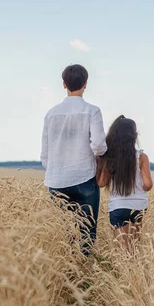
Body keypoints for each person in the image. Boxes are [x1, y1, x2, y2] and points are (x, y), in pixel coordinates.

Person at [41, 64, 107, 256]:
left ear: (63, 84)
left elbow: (45, 153)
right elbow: (98, 145)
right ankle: (84, 272)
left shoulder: (51, 114)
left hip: (56, 180)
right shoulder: (92, 111)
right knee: (87, 231)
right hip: (84, 178)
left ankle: (66, 272)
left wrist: (56, 169)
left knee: (63, 233)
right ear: (86, 84)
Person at [96, 115, 153, 254]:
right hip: (139, 207)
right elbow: (148, 184)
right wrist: (139, 186)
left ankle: (126, 275)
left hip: (118, 207)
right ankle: (136, 274)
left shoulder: (110, 157)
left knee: (123, 252)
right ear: (135, 135)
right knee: (134, 248)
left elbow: (102, 183)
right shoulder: (141, 157)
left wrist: (100, 164)